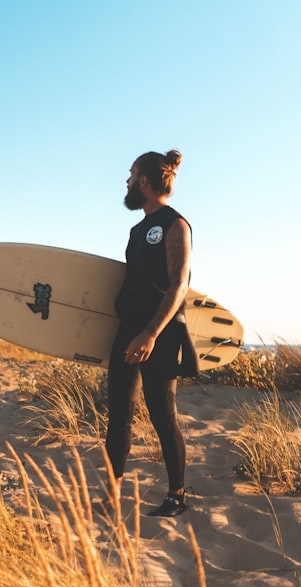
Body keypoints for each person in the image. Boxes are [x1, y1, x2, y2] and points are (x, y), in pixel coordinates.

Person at [104, 149, 199, 517]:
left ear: (144, 180)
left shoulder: (176, 224)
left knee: (162, 416)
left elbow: (178, 287)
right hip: (128, 330)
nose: (126, 181)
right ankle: (112, 495)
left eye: (130, 175)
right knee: (119, 414)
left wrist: (150, 334)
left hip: (157, 334)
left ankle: (176, 495)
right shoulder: (137, 229)